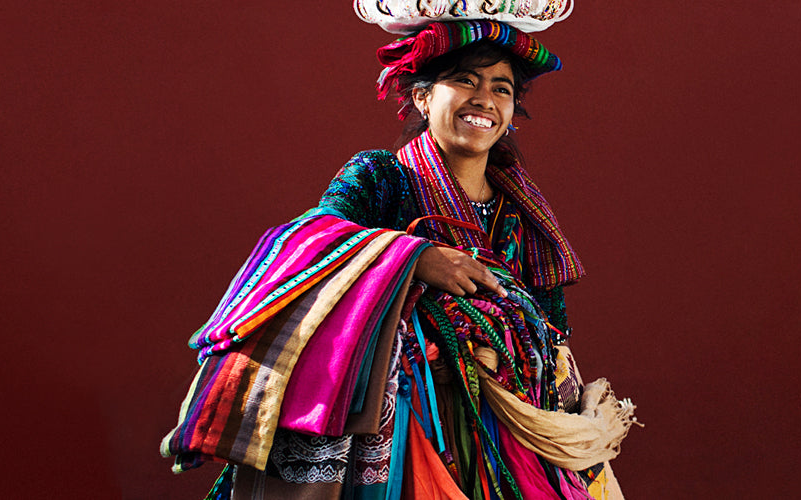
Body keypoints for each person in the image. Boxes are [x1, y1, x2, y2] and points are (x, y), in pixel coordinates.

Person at [163, 20, 637, 500]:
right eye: (465, 80)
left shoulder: (523, 210)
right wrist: (415, 257)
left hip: (508, 432)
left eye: (501, 88)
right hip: (401, 429)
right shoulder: (381, 178)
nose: (484, 99)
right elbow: (304, 242)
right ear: (422, 97)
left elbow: (552, 330)